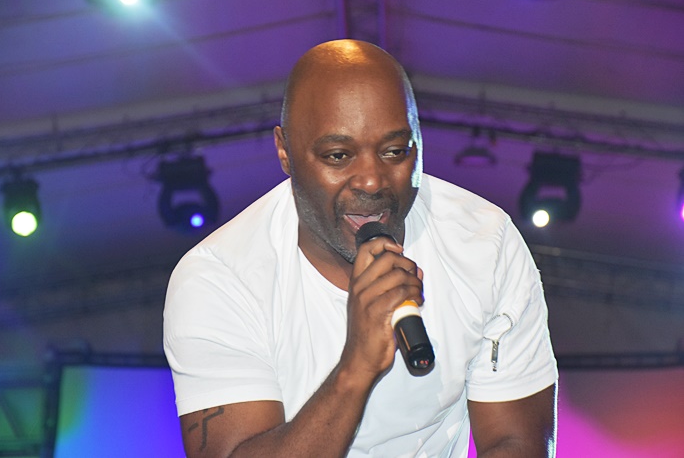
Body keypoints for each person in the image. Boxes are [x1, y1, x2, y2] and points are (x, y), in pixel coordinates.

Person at [164, 39, 558, 457]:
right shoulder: (219, 277)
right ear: (285, 151)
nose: (371, 180)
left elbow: (518, 443)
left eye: (395, 151)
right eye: (338, 155)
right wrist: (357, 367)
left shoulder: (484, 243)